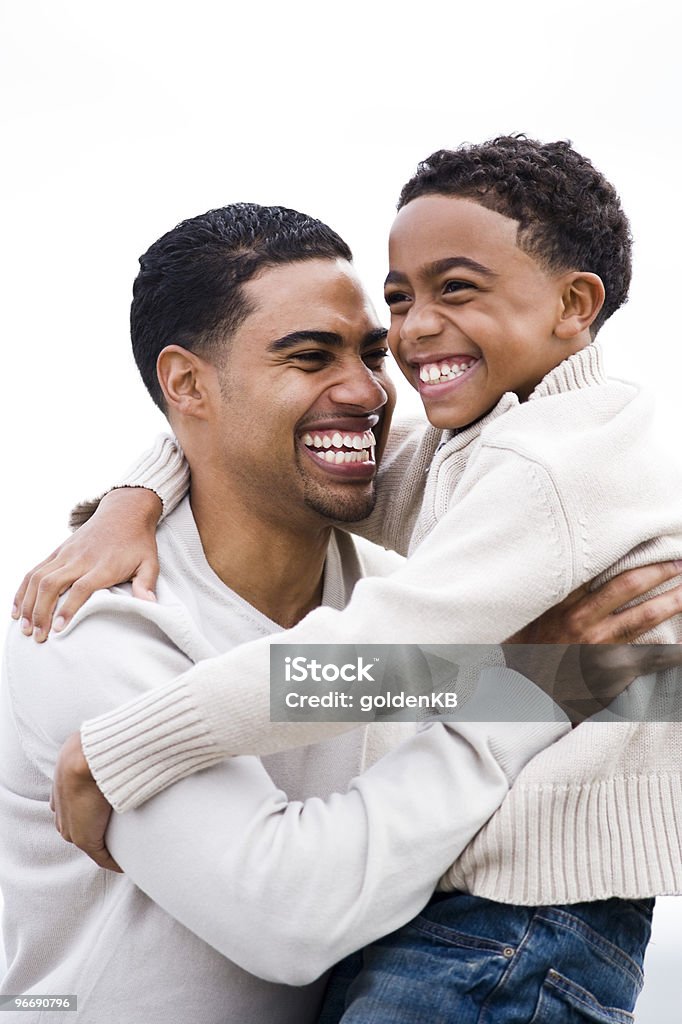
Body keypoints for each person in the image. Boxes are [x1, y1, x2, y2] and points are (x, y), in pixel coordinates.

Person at [20, 138, 682, 1022]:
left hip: (526, 924)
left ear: (574, 304)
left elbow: (379, 648)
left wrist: (127, 747)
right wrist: (139, 489)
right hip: (499, 921)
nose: (381, 376)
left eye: (370, 347)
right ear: (186, 386)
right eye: (311, 355)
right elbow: (346, 468)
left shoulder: (538, 470)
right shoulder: (97, 624)